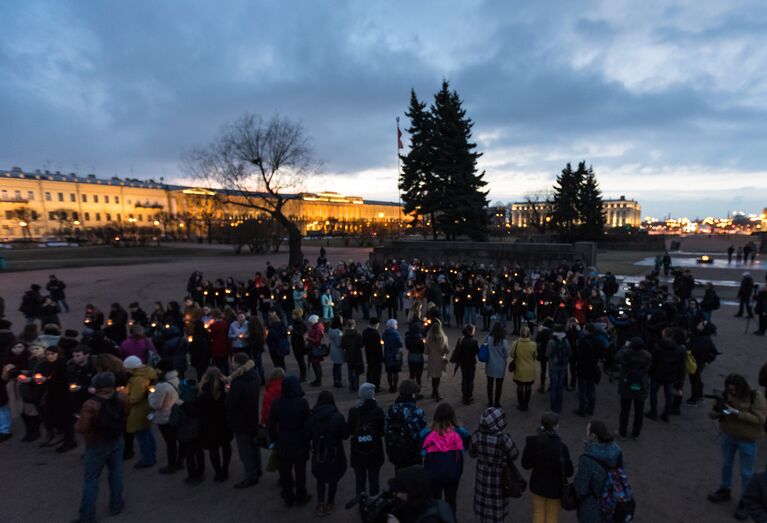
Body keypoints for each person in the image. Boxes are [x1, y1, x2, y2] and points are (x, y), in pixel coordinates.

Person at [707, 374, 767, 520]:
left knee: (746, 472)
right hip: (728, 435)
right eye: (729, 390)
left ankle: (746, 500)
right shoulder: (726, 393)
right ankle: (724, 489)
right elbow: (712, 414)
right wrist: (719, 410)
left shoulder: (756, 397)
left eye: (735, 391)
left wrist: (738, 413)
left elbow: (760, 419)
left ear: (742, 388)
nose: (732, 393)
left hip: (747, 440)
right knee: (726, 464)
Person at [73, 372, 131, 523]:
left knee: (91, 480)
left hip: (96, 444)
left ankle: (87, 516)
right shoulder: (122, 397)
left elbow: (81, 428)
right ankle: (116, 505)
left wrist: (78, 421)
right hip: (117, 439)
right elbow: (127, 413)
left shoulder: (90, 404)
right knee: (116, 473)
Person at [469, 406, 520, 523]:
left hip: (482, 475)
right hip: (499, 476)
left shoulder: (477, 436)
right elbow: (514, 454)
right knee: (497, 504)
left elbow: (472, 453)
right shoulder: (503, 438)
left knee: (483, 502)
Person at [521, 412, 574, 523]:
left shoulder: (532, 442)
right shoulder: (562, 448)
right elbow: (569, 472)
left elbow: (525, 465)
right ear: (556, 427)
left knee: (538, 512)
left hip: (537, 486)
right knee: (552, 515)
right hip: (555, 490)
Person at [420, 402, 470, 517]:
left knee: (434, 501)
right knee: (451, 501)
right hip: (453, 473)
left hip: (433, 473)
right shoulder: (460, 432)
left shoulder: (427, 432)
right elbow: (467, 446)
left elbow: (420, 449)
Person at [269, 374, 312, 507]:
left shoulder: (277, 403)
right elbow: (308, 423)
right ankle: (301, 495)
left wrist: (274, 441)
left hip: (283, 441)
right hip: (299, 440)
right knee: (300, 472)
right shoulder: (302, 402)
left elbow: (272, 424)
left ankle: (288, 496)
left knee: (285, 473)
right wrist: (307, 440)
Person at [574, 419, 624, 523]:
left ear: (593, 435)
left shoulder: (587, 458)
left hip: (592, 505)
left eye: (587, 430)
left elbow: (582, 487)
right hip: (613, 499)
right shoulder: (617, 450)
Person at [308, 390, 348, 517]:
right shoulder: (338, 417)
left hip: (319, 452)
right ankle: (330, 502)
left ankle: (320, 503)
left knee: (320, 478)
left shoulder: (312, 417)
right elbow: (345, 435)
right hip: (335, 452)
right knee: (333, 478)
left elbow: (308, 435)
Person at [226, 352, 262, 489]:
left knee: (245, 450)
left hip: (240, 419)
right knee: (254, 445)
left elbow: (230, 404)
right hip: (252, 416)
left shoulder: (238, 382)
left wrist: (227, 393)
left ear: (238, 364)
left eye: (233, 362)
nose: (231, 364)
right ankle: (257, 469)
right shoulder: (255, 375)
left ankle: (250, 475)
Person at [347, 382, 386, 496]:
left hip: (358, 451)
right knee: (374, 479)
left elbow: (349, 431)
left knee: (360, 480)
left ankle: (361, 502)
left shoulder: (353, 411)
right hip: (375, 451)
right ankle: (374, 502)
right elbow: (382, 431)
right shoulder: (378, 411)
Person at [387, 464, 457, 523]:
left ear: (412, 492)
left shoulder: (431, 519)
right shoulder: (431, 504)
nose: (395, 494)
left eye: (399, 491)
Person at [38, 345, 75, 451]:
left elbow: (64, 381)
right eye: (48, 354)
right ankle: (64, 439)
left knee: (66, 420)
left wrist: (47, 380)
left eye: (52, 354)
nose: (50, 356)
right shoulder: (47, 365)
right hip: (52, 396)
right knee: (58, 419)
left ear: (58, 354)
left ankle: (70, 441)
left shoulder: (63, 364)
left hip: (63, 396)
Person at [123, 355, 157, 469]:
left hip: (138, 410)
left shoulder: (138, 379)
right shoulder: (148, 373)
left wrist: (124, 396)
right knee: (147, 432)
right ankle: (152, 455)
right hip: (146, 407)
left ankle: (147, 458)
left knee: (142, 435)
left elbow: (135, 398)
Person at [148, 359, 181, 474]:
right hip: (176, 415)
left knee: (170, 443)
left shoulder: (162, 386)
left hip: (165, 417)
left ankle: (171, 465)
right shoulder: (176, 379)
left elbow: (156, 405)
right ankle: (180, 462)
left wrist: (151, 395)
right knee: (178, 441)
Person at [615, 337, 652, 439]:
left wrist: (624, 346)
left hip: (626, 384)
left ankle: (622, 432)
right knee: (639, 411)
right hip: (640, 385)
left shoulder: (625, 353)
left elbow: (617, 357)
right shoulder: (647, 356)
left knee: (625, 410)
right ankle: (636, 432)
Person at [385, 379, 427, 469]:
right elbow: (421, 433)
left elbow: (385, 427)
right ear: (412, 394)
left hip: (395, 450)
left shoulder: (392, 409)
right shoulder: (417, 412)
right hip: (412, 452)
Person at [646, 327, 685, 422]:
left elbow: (652, 361)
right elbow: (681, 367)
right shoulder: (680, 350)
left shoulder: (657, 347)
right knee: (669, 395)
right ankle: (666, 414)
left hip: (657, 374)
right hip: (671, 376)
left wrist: (649, 372)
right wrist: (680, 382)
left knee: (653, 393)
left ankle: (653, 412)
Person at [574, 323, 602, 417]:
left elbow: (579, 356)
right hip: (592, 368)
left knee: (582, 390)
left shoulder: (583, 341)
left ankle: (582, 409)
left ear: (587, 330)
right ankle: (591, 408)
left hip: (583, 368)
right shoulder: (597, 341)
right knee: (591, 389)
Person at [510, 325, 538, 411]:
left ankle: (521, 403)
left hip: (519, 368)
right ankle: (526, 404)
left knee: (520, 387)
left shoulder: (515, 343)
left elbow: (511, 355)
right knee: (528, 387)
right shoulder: (533, 344)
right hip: (529, 368)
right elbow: (535, 356)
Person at [451, 324, 479, 405]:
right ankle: (469, 396)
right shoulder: (474, 341)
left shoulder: (461, 339)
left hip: (463, 363)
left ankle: (464, 395)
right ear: (471, 331)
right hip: (471, 363)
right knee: (470, 380)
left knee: (464, 379)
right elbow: (477, 351)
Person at [485, 322, 509, 408]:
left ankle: (490, 401)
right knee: (499, 385)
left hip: (490, 364)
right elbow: (506, 354)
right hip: (500, 366)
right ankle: (497, 402)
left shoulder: (487, 338)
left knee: (489, 384)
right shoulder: (504, 342)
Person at [425, 319, 449, 402]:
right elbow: (446, 350)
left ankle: (433, 392)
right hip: (440, 359)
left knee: (433, 377)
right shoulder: (444, 337)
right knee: (437, 377)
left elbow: (426, 351)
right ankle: (436, 393)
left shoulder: (429, 338)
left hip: (432, 359)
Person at [342, 318, 364, 392]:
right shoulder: (358, 335)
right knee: (356, 372)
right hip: (357, 355)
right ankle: (356, 385)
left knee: (350, 371)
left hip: (348, 355)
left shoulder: (344, 335)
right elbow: (361, 345)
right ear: (354, 325)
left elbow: (343, 345)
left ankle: (351, 385)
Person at [363, 318, 383, 392]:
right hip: (376, 356)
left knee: (370, 370)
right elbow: (378, 347)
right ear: (375, 324)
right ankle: (376, 387)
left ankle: (368, 385)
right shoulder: (375, 333)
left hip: (368, 354)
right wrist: (381, 357)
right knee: (377, 373)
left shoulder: (365, 331)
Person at [405, 320, 426, 388]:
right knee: (418, 375)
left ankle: (411, 389)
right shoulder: (420, 339)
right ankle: (417, 389)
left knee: (412, 374)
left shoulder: (407, 337)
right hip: (419, 357)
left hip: (410, 356)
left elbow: (407, 347)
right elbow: (423, 350)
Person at [306, 314, 325, 386]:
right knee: (316, 365)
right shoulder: (318, 327)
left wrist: (308, 338)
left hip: (315, 349)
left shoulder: (317, 328)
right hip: (314, 349)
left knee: (316, 365)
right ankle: (318, 379)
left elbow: (317, 341)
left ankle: (318, 380)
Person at [290, 308, 308, 381]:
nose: (292, 316)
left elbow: (300, 334)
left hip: (299, 344)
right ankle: (302, 374)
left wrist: (292, 330)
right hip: (296, 343)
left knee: (301, 360)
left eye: (293, 314)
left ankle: (303, 376)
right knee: (299, 360)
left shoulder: (301, 323)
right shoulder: (296, 322)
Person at [328, 315, 345, 388]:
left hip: (333, 348)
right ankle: (338, 381)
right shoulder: (338, 331)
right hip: (338, 350)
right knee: (338, 366)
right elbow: (339, 343)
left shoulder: (330, 329)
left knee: (335, 366)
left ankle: (335, 380)